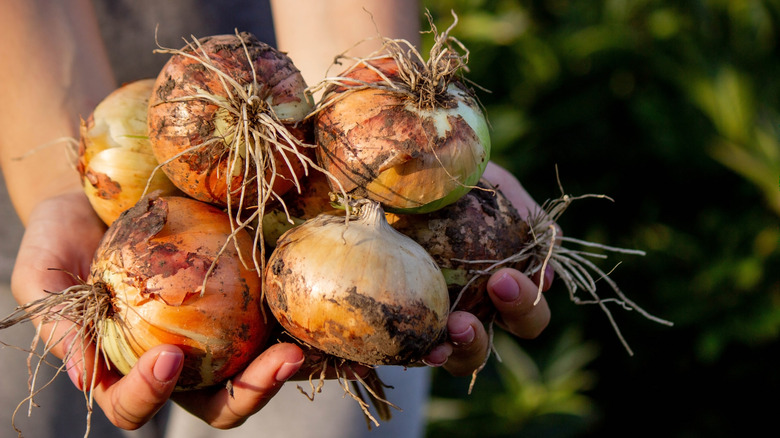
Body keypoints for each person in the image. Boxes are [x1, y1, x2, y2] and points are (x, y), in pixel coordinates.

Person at [0, 1, 553, 437]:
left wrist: (366, 91)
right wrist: (57, 187)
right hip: (42, 156)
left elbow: (349, 118)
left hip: (294, 116)